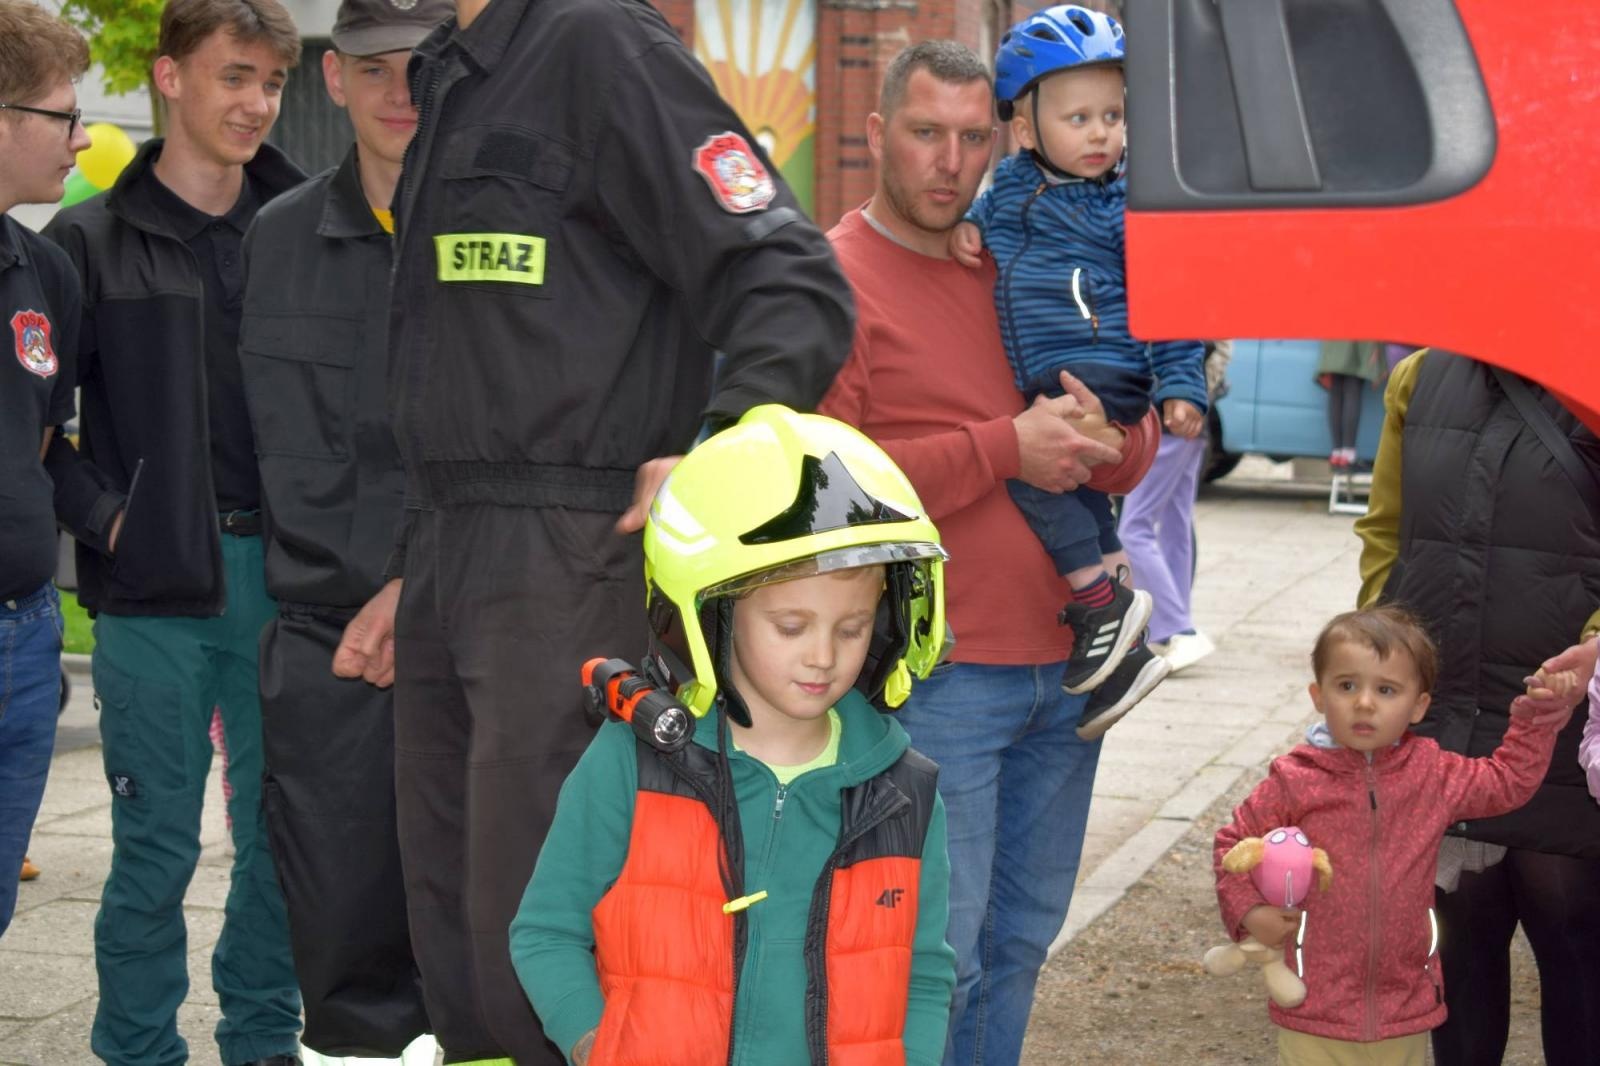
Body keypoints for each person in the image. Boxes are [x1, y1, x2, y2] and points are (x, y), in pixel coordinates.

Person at [327, 0, 856, 1060]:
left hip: (568, 560)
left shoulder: (599, 48)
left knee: (548, 935)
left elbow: (788, 277)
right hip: (446, 556)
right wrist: (405, 572)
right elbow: (468, 365)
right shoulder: (450, 76)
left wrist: (718, 448)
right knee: (459, 940)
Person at [817, 39, 1160, 1066]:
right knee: (940, 957)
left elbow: (1130, 438)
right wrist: (1002, 448)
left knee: (1018, 946)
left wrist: (1109, 444)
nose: (949, 163)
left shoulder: (1020, 254)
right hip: (941, 677)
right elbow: (827, 485)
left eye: (972, 138)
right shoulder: (831, 276)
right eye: (925, 134)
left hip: (1074, 670)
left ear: (1003, 140)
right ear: (879, 134)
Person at [510, 405, 955, 1066]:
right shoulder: (634, 763)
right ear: (712, 615)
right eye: (791, 626)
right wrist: (597, 1046)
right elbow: (546, 931)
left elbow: (925, 973)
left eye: (853, 627)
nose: (824, 656)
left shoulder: (903, 792)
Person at [41, 1, 308, 1062]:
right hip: (152, 596)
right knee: (152, 851)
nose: (256, 103)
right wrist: (113, 517)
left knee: (281, 845)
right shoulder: (88, 242)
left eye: (274, 83)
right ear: (168, 77)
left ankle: (260, 1038)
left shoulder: (304, 228)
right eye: (234, 76)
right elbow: (30, 427)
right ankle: (138, 1048)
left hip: (292, 587)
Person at [237, 0, 451, 1056]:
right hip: (326, 655)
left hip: (471, 632)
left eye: (422, 66)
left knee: (480, 949)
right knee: (344, 966)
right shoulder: (272, 242)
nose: (399, 91)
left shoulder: (507, 239)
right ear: (332, 80)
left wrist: (429, 579)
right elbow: (240, 436)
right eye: (373, 70)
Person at [949, 5, 1207, 714]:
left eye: (1111, 115)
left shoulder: (1126, 205)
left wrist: (1182, 383)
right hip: (1047, 372)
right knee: (1090, 505)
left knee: (1030, 476)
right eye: (1078, 119)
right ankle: (1122, 638)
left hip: (1098, 370)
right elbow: (983, 216)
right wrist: (971, 230)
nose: (1100, 134)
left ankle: (1097, 605)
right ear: (1027, 129)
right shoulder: (1008, 188)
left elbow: (1171, 300)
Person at [1354, 349, 1600, 1066]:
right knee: (1455, 963)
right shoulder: (1420, 377)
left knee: (1578, 953)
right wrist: (1384, 644)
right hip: (1447, 731)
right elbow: (1385, 532)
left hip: (1565, 721)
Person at [1213, 605, 1578, 1066]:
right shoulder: (1295, 779)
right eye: (1346, 686)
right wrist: (1250, 912)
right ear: (1318, 694)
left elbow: (1508, 781)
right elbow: (1232, 844)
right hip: (1312, 1004)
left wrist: (1540, 715)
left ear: (1419, 705)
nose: (1364, 703)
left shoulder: (1432, 773)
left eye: (1386, 690)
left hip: (1404, 1005)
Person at [0, 0, 91, 937]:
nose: (82, 137)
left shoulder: (46, 271)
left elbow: (38, 435)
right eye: (63, 115)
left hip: (26, 636)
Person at [1120, 340, 1231, 673]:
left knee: (1133, 529)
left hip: (1165, 415)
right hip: (1191, 411)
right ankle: (1178, 630)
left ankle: (1179, 629)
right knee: (1174, 526)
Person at [1316, 340, 1382, 469]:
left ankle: (1336, 453)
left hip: (1336, 334)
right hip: (1358, 335)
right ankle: (1348, 454)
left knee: (1336, 390)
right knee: (1353, 388)